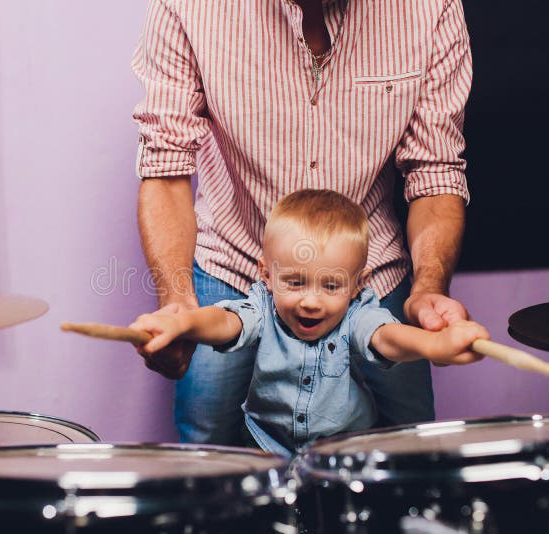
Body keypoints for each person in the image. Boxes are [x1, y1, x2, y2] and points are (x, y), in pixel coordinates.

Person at [132, 0, 473, 445]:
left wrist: (430, 290)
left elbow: (435, 172)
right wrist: (177, 304)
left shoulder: (431, 8)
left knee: (413, 453)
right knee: (207, 455)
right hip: (232, 260)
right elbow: (166, 167)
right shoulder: (186, 7)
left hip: (371, 275)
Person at [130, 190, 487, 456]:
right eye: (295, 282)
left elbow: (387, 338)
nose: (311, 301)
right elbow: (226, 322)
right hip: (266, 449)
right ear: (266, 275)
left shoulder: (358, 313)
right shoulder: (262, 305)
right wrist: (182, 325)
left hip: (342, 455)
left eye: (331, 285)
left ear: (357, 283)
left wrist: (438, 345)